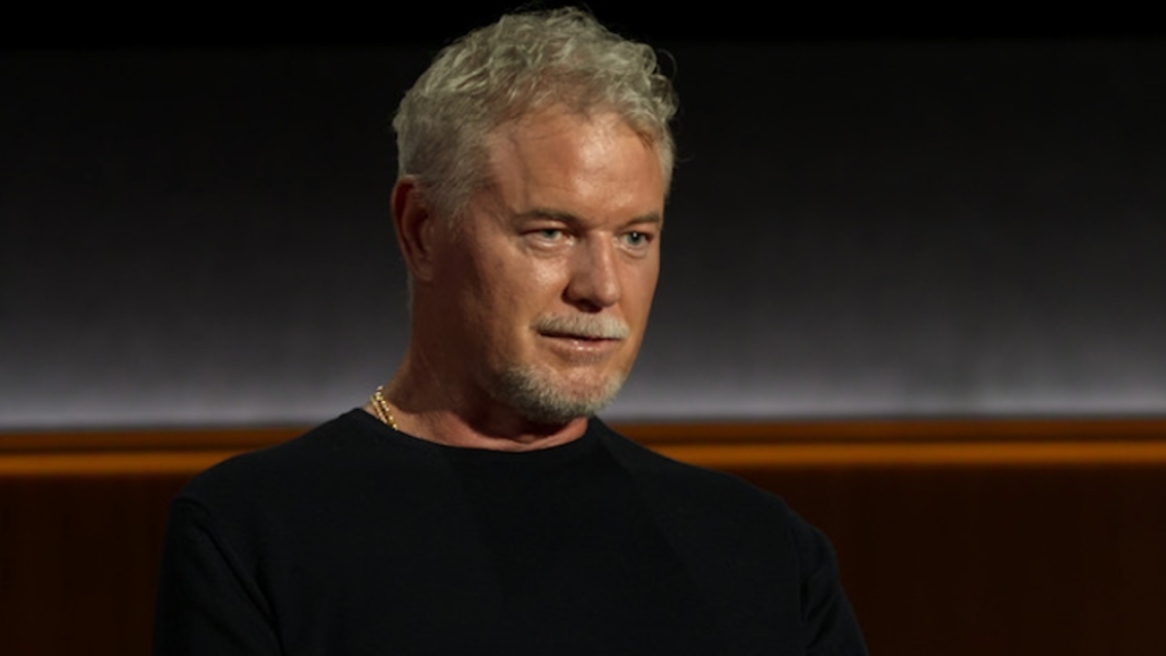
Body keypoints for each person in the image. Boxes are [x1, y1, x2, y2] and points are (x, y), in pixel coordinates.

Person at [153, 8, 868, 655]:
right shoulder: (252, 532)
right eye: (551, 232)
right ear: (422, 228)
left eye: (635, 237)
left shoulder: (765, 553)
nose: (601, 287)